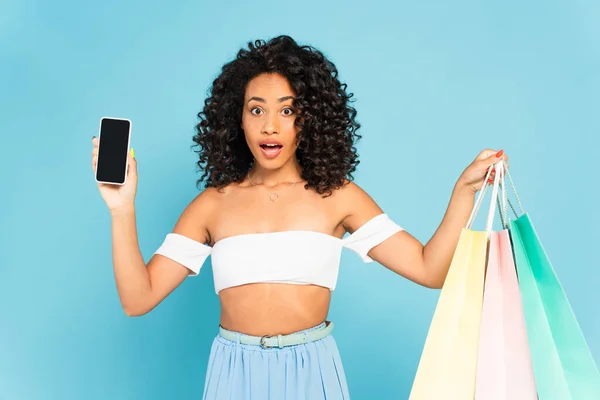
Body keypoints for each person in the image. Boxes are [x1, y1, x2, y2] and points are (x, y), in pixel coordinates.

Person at [90, 35, 508, 399]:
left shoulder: (337, 196)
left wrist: (463, 192)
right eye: (256, 110)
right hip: (234, 373)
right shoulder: (212, 206)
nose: (270, 126)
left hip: (314, 369)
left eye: (286, 110)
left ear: (309, 119)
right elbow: (137, 299)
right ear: (236, 119)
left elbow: (429, 269)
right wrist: (121, 207)